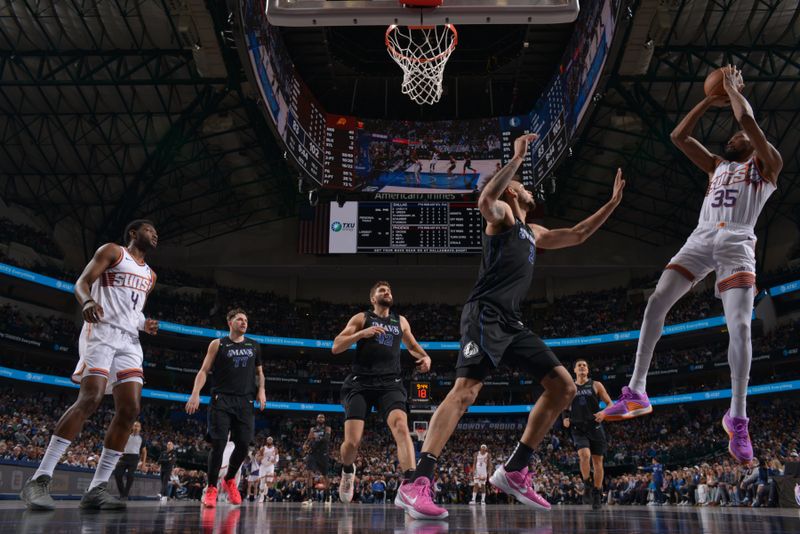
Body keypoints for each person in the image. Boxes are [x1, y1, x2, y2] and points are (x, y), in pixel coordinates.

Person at [394, 133, 626, 520]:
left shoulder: (533, 233)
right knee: (466, 391)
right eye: (521, 185)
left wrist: (612, 204)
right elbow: (484, 199)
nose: (527, 188)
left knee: (564, 386)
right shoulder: (501, 214)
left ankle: (516, 469)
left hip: (513, 323)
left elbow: (580, 234)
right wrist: (516, 159)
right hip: (484, 313)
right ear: (513, 191)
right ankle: (418, 481)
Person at [599, 66, 782, 465]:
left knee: (740, 327)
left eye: (740, 137)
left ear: (752, 143)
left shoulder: (767, 165)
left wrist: (733, 89)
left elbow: (747, 120)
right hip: (700, 238)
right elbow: (678, 137)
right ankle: (637, 390)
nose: (733, 137)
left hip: (736, 242)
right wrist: (708, 99)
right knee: (657, 301)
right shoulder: (718, 167)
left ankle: (737, 416)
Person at [20, 220, 159, 511]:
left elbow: (133, 310)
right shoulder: (113, 252)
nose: (155, 234)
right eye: (149, 230)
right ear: (133, 233)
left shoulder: (151, 275)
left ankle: (97, 489)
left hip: (130, 340)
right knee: (91, 397)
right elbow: (81, 282)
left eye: (156, 232)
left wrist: (144, 324)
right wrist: (86, 302)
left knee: (131, 409)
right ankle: (39, 479)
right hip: (102, 332)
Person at [332, 281, 432, 503]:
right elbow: (336, 346)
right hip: (360, 383)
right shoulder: (362, 318)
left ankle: (411, 485)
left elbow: (413, 346)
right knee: (352, 443)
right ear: (373, 299)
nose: (387, 292)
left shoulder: (400, 321)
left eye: (389, 290)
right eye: (382, 290)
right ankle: (348, 470)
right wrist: (361, 334)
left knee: (401, 426)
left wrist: (425, 356)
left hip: (391, 383)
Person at [185, 308, 267, 508]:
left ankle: (229, 479)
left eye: (246, 319)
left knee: (244, 444)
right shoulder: (218, 344)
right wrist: (195, 393)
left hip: (245, 401)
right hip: (221, 399)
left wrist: (262, 390)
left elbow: (259, 372)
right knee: (219, 444)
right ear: (230, 322)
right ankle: (211, 488)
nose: (244, 322)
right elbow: (204, 370)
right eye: (240, 319)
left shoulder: (254, 345)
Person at [562, 359, 611, 509]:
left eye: (584, 365)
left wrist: (604, 412)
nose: (582, 367)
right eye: (579, 365)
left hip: (595, 426)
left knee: (597, 462)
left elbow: (610, 404)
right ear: (575, 371)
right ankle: (587, 483)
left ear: (588, 370)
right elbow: (564, 406)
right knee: (584, 455)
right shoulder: (570, 387)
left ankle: (597, 492)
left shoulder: (596, 385)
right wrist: (565, 417)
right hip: (578, 427)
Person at [302, 414, 331, 506]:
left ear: (324, 419)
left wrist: (315, 438)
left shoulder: (327, 428)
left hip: (323, 454)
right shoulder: (312, 429)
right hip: (313, 453)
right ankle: (309, 498)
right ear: (316, 419)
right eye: (319, 417)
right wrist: (305, 444)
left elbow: (326, 439)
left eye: (322, 417)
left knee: (325, 476)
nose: (320, 418)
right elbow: (308, 440)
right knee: (309, 473)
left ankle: (327, 496)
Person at [114, 421, 147, 500]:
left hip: (134, 458)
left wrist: (143, 463)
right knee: (117, 474)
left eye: (138, 426)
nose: (136, 427)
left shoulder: (142, 439)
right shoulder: (126, 435)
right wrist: (117, 456)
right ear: (132, 427)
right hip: (124, 457)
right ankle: (123, 494)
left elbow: (144, 451)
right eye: (135, 426)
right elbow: (119, 446)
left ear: (140, 428)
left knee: (130, 476)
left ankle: (125, 495)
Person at [259, 437, 279, 502]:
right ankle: (261, 497)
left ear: (272, 441)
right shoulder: (263, 448)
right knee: (262, 481)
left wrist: (275, 460)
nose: (269, 441)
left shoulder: (275, 449)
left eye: (271, 440)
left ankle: (265, 491)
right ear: (266, 441)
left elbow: (277, 459)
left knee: (269, 482)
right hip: (263, 466)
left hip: (270, 466)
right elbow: (259, 457)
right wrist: (262, 456)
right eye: (268, 440)